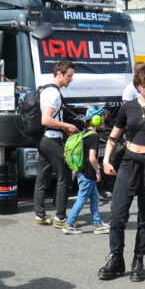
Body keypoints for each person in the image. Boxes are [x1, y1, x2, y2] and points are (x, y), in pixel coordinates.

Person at [99, 63, 145, 282]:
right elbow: (114, 136)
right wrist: (105, 159)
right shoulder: (128, 107)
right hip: (128, 162)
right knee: (117, 214)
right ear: (138, 86)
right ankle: (116, 258)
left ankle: (139, 258)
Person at [33, 60, 79, 228]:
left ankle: (40, 216)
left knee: (42, 177)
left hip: (42, 138)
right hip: (51, 138)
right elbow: (46, 119)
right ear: (59, 73)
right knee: (65, 177)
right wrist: (66, 125)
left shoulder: (44, 89)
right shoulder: (53, 93)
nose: (71, 79)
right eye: (69, 76)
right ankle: (60, 218)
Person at [64, 106, 104, 234]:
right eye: (102, 117)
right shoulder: (93, 136)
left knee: (94, 198)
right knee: (82, 199)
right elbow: (92, 158)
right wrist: (98, 171)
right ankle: (69, 224)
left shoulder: (84, 132)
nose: (103, 120)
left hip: (83, 172)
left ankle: (97, 224)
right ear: (96, 119)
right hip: (89, 174)